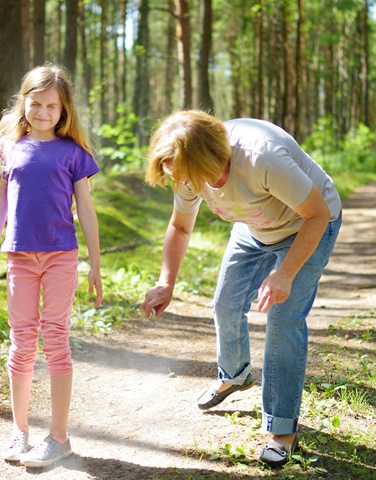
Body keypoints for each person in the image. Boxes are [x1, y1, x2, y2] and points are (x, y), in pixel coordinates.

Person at [138, 110, 342, 468]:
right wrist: (165, 282)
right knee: (225, 304)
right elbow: (181, 227)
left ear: (207, 160)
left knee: (283, 318)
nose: (181, 183)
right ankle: (234, 376)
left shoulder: (262, 159)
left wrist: (284, 274)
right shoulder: (184, 168)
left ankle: (282, 430)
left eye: (184, 175)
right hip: (254, 227)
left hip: (308, 223)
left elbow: (317, 213)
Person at [0, 63, 103, 468]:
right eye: (36, 103)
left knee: (56, 340)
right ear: (23, 102)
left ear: (64, 111)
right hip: (19, 257)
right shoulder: (7, 149)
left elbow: (86, 210)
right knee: (22, 341)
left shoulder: (74, 153)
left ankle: (58, 437)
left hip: (62, 255)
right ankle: (20, 431)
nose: (43, 111)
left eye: (52, 105)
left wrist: (95, 265)